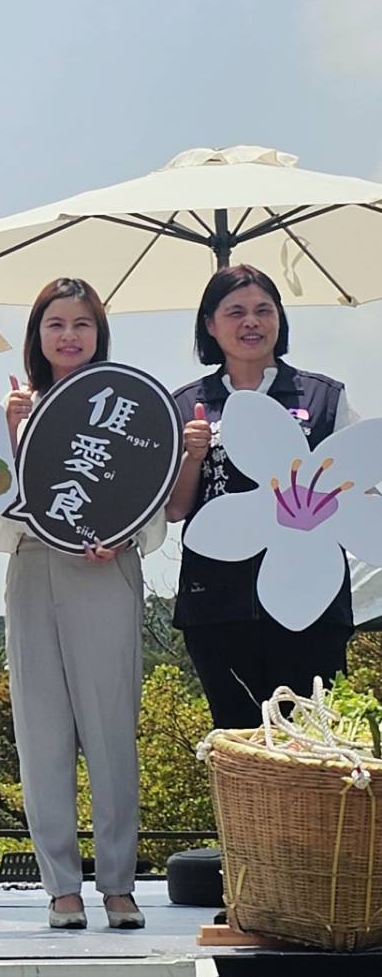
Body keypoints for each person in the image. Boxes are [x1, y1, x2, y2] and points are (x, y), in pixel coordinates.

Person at [0, 277, 155, 931]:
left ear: (99, 333)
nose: (69, 335)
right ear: (37, 336)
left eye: (81, 324)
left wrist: (123, 535)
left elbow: (150, 489)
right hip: (33, 567)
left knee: (111, 730)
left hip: (107, 571)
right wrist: (8, 429)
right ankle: (60, 885)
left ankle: (118, 882)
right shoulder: (18, 407)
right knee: (41, 732)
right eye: (55, 323)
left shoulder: (133, 406)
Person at [166, 264, 356, 729]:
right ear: (210, 325)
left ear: (279, 319)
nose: (251, 322)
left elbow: (360, 488)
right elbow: (173, 509)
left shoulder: (324, 397)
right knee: (238, 741)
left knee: (314, 741)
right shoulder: (186, 403)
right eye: (235, 312)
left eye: (262, 310)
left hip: (311, 601)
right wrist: (192, 454)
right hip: (217, 604)